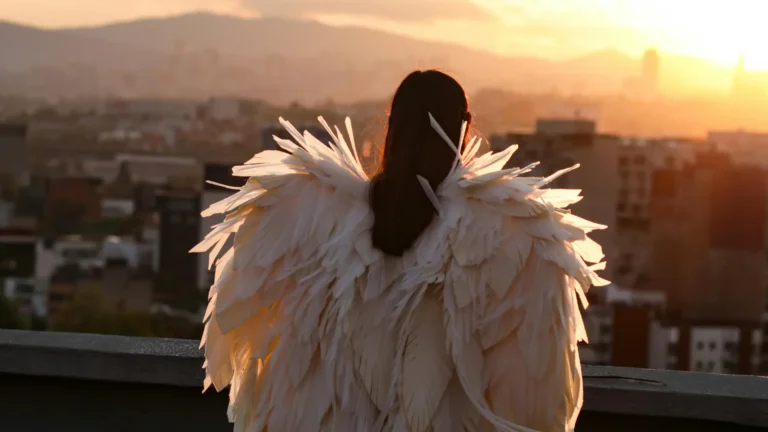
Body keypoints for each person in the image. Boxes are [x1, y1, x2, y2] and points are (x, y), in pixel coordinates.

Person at [193, 70, 609, 432]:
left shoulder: (301, 218)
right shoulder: (520, 237)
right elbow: (534, 405)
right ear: (462, 130)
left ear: (392, 128)